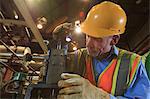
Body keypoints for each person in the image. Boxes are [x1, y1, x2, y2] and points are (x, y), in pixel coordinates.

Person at [53, 1, 150, 99]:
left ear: (114, 40)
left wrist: (100, 96)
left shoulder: (133, 64)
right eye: (88, 36)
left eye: (97, 39)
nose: (88, 44)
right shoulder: (78, 57)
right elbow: (55, 65)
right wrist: (60, 43)